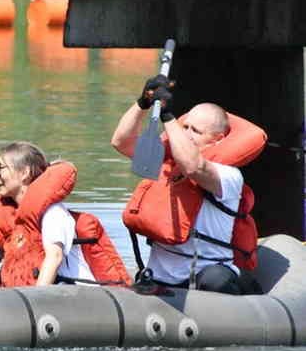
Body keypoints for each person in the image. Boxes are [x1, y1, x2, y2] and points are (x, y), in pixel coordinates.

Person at [110, 75, 265, 294]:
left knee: (216, 281)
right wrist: (143, 103)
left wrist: (167, 116)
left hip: (207, 276)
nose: (186, 134)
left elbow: (193, 167)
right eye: (185, 127)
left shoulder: (228, 176)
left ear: (218, 139)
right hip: (160, 278)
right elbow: (121, 142)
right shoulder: (165, 162)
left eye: (196, 131)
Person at [0, 142, 129, 288]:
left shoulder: (53, 213)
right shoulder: (5, 218)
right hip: (19, 299)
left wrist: (32, 303)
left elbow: (54, 258)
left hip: (66, 296)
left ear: (24, 173)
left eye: (1, 168)